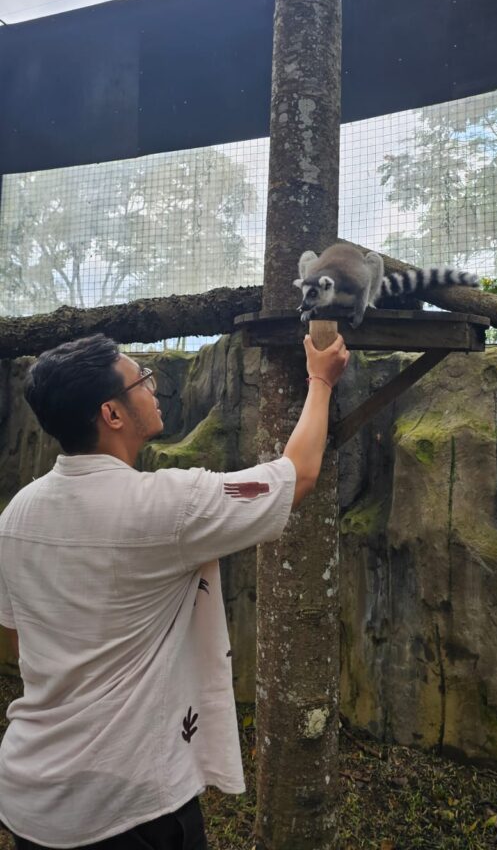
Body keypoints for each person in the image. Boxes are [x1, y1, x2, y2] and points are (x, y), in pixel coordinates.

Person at [0, 330, 349, 850]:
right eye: (141, 380)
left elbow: (14, 635)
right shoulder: (168, 506)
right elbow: (294, 477)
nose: (154, 387)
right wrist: (320, 381)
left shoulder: (16, 514)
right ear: (111, 415)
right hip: (129, 808)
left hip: (32, 798)